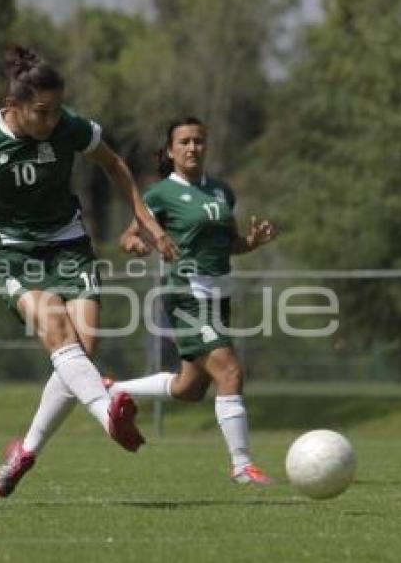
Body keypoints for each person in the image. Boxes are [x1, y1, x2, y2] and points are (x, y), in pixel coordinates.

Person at [0, 45, 178, 497]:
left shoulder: (69, 127)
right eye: (41, 113)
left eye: (57, 110)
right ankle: (108, 416)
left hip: (69, 246)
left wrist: (146, 220)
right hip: (16, 253)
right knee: (58, 330)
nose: (51, 122)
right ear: (13, 106)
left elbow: (115, 164)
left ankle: (23, 452)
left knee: (81, 352)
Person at [109, 116, 277, 484]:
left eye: (199, 141)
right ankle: (242, 465)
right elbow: (128, 237)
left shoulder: (221, 191)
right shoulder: (160, 194)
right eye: (183, 142)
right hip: (185, 293)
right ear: (170, 150)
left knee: (190, 388)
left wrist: (252, 242)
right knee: (230, 371)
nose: (192, 148)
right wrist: (137, 245)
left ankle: (113, 390)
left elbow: (230, 245)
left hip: (218, 296)